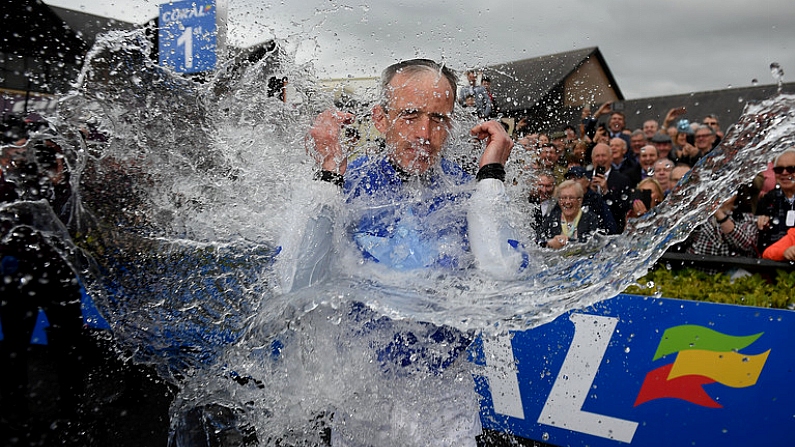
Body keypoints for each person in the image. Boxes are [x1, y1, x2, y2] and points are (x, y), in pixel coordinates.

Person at [536, 180, 600, 249]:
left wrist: (567, 242)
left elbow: (593, 244)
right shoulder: (551, 218)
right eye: (563, 198)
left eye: (571, 198)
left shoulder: (591, 219)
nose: (567, 202)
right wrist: (549, 243)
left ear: (580, 200)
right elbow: (538, 240)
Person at [587, 143, 633, 232]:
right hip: (589, 229)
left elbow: (623, 209)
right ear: (592, 159)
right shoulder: (584, 178)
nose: (600, 159)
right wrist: (590, 191)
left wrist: (606, 192)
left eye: (604, 155)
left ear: (611, 158)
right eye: (597, 156)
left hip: (613, 230)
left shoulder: (622, 180)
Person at [756, 149, 795, 252]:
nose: (784, 173)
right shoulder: (767, 200)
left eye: (791, 169)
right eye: (779, 169)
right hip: (772, 262)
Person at [565, 166, 618, 235]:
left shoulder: (596, 201)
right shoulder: (562, 201)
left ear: (587, 182)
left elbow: (611, 228)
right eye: (569, 179)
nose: (571, 182)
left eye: (576, 178)